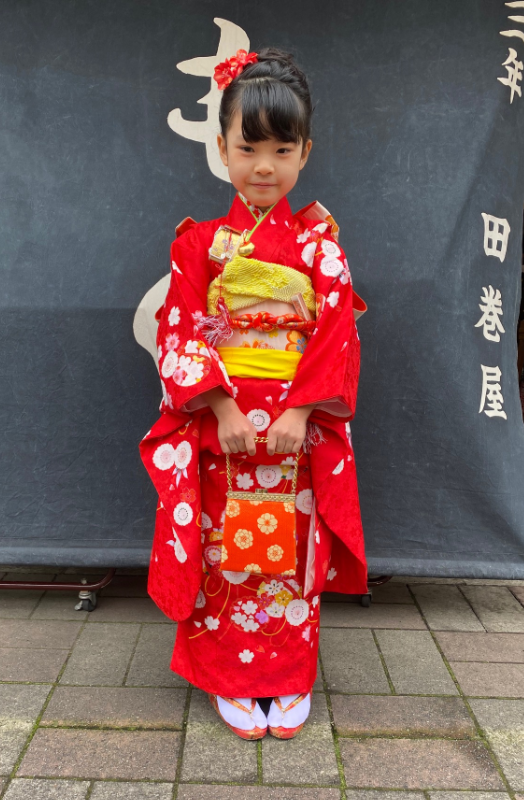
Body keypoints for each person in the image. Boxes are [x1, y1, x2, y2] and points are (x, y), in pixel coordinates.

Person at [140, 47, 367, 741]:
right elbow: (182, 323)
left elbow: (335, 335)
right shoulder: (198, 246)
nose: (264, 164)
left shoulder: (320, 247)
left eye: (281, 148)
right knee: (224, 551)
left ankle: (288, 676)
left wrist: (300, 409)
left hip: (296, 430)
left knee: (287, 553)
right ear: (222, 149)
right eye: (249, 147)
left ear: (304, 153)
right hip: (224, 425)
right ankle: (232, 678)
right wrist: (221, 405)